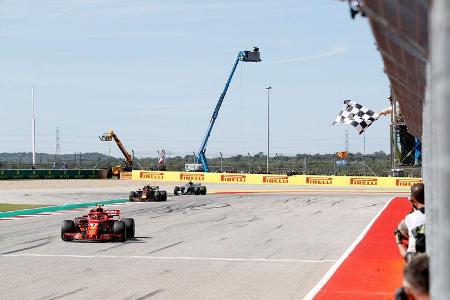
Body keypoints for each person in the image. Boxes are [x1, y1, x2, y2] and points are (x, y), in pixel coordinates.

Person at [395, 183, 426, 262]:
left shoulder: (411, 218)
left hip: (420, 261)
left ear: (413, 200)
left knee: (408, 239)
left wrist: (399, 242)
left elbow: (401, 231)